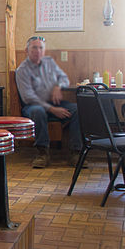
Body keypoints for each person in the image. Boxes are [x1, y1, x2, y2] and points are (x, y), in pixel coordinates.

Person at [15, 36, 82, 168]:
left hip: (54, 103)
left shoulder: (49, 63)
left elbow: (64, 78)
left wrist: (58, 86)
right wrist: (52, 109)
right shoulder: (22, 70)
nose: (38, 51)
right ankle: (42, 153)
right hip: (32, 106)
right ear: (26, 50)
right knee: (38, 111)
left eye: (41, 48)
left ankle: (76, 152)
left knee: (77, 109)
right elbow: (28, 97)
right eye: (34, 47)